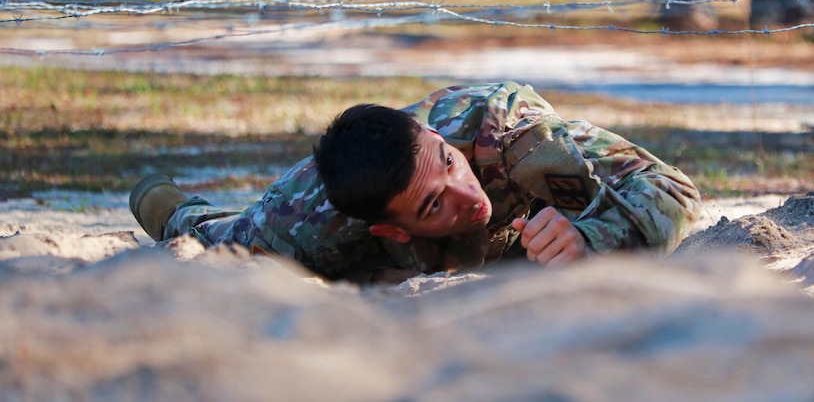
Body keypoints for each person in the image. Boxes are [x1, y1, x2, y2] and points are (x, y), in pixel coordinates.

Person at [129, 81, 701, 284]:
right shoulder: (303, 221)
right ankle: (163, 199)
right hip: (356, 234)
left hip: (516, 244)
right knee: (209, 236)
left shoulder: (510, 132)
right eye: (434, 204)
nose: (468, 195)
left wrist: (591, 241)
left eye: (450, 164)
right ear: (391, 227)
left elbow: (673, 189)